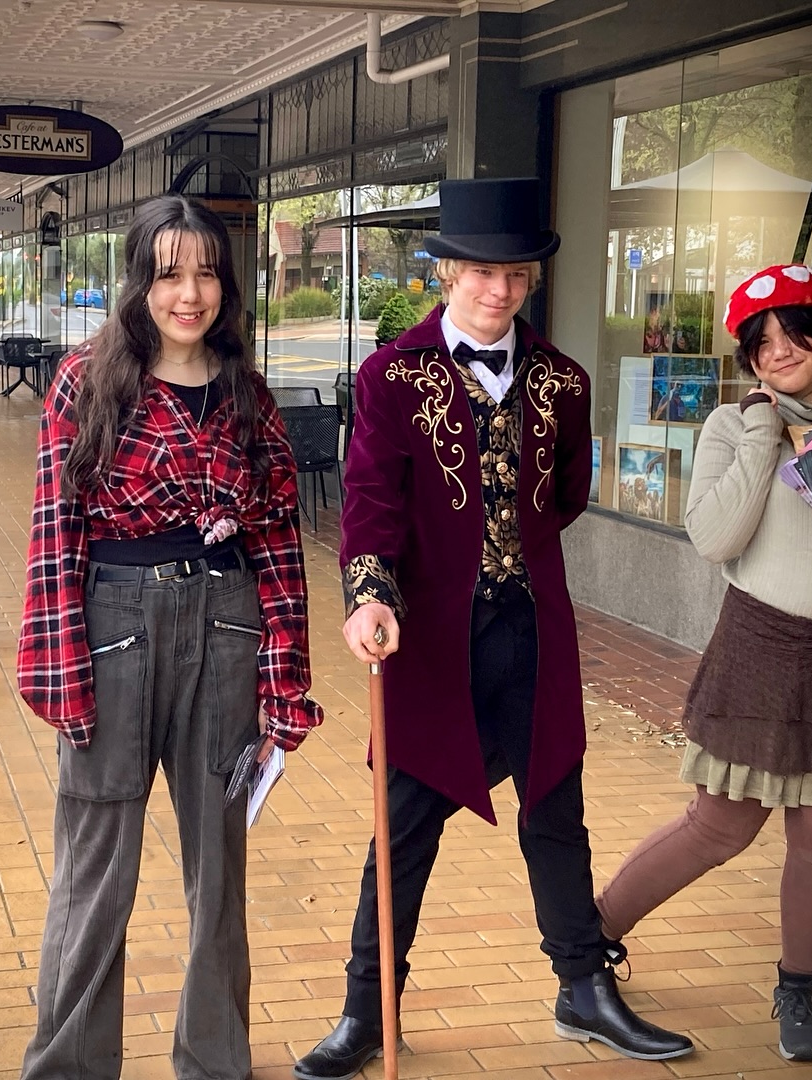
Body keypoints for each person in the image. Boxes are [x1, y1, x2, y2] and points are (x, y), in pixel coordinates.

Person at [293, 177, 694, 1080]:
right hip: (431, 640)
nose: (498, 291)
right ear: (445, 274)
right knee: (401, 826)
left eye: (514, 274)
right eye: (480, 272)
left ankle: (584, 989)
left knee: (557, 807)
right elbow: (370, 503)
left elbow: (569, 500)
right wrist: (367, 594)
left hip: (533, 632)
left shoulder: (564, 379)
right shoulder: (392, 374)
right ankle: (366, 1012)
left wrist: (506, 552)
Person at [595, 263, 812, 1062]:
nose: (781, 351)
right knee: (720, 825)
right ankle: (593, 936)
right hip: (759, 647)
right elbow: (716, 539)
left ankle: (799, 988)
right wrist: (761, 429)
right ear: (747, 355)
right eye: (762, 342)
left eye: (797, 332)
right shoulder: (728, 425)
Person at [17, 194, 323, 1080]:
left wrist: (284, 683)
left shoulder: (248, 394)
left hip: (227, 630)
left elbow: (276, 547)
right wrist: (60, 668)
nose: (188, 293)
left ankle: (216, 1064)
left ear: (227, 283)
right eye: (168, 273)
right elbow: (54, 529)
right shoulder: (87, 380)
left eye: (205, 273)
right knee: (94, 870)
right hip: (112, 626)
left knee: (218, 874)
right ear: (139, 280)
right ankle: (69, 1067)